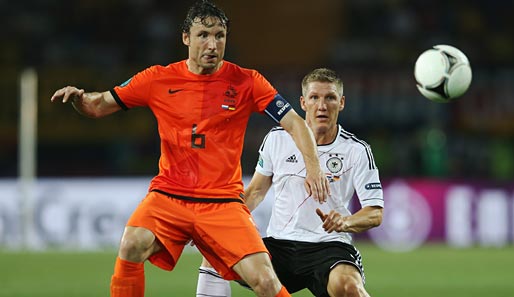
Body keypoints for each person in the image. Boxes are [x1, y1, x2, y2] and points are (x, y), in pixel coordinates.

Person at [49, 1, 330, 296]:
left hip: (222, 202)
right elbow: (97, 105)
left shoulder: (247, 81)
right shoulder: (157, 78)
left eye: (220, 35)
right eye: (204, 35)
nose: (212, 44)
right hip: (169, 196)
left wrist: (313, 168)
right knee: (131, 243)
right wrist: (81, 99)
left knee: (266, 281)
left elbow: (297, 124)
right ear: (186, 37)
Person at [196, 68, 384, 297]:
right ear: (303, 103)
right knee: (215, 252)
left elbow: (375, 213)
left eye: (330, 98)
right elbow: (255, 191)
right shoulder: (277, 139)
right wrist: (216, 223)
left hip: (329, 247)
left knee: (349, 287)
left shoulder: (357, 150)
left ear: (342, 102)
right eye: (314, 97)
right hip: (280, 247)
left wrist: (345, 222)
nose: (322, 105)